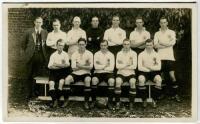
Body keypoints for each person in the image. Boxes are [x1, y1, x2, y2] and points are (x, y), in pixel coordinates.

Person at [154, 17, 181, 102]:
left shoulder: (171, 32)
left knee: (172, 76)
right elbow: (155, 45)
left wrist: (161, 43)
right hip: (160, 57)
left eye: (164, 22)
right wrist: (167, 44)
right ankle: (162, 94)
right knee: (162, 77)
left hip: (170, 57)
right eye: (161, 23)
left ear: (167, 23)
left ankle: (176, 94)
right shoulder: (157, 33)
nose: (163, 24)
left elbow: (173, 43)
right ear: (159, 24)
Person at [21, 16, 48, 100]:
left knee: (39, 75)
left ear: (42, 23)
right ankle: (28, 93)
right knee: (29, 75)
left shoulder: (45, 32)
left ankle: (37, 92)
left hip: (40, 56)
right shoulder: (28, 32)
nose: (38, 24)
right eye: (37, 22)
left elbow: (47, 45)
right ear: (34, 22)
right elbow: (23, 44)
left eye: (40, 22)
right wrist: (26, 54)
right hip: (30, 56)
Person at [64, 38, 93, 109]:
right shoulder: (74, 54)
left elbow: (91, 67)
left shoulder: (89, 53)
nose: (81, 46)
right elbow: (73, 67)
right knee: (67, 79)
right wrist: (85, 65)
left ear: (85, 45)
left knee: (88, 80)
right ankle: (66, 100)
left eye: (83, 44)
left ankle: (86, 102)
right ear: (77, 45)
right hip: (75, 73)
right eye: (80, 44)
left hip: (86, 73)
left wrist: (79, 65)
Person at [138, 39, 162, 108]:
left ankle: (154, 100)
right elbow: (140, 67)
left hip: (154, 72)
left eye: (150, 45)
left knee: (159, 80)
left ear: (153, 45)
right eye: (147, 45)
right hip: (143, 72)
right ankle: (144, 100)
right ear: (145, 45)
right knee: (141, 79)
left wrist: (149, 67)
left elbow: (159, 67)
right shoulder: (141, 54)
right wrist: (148, 70)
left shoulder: (156, 54)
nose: (149, 47)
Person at [91, 40, 115, 110]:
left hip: (108, 73)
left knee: (111, 81)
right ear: (100, 46)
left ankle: (110, 102)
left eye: (105, 45)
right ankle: (93, 101)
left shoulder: (111, 55)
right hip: (98, 73)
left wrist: (101, 66)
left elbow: (111, 68)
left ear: (107, 46)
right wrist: (105, 65)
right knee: (94, 80)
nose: (103, 47)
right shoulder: (96, 54)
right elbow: (96, 67)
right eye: (102, 45)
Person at [115, 39, 137, 110]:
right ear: (122, 45)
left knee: (132, 82)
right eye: (125, 44)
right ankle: (117, 102)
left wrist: (123, 65)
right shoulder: (119, 53)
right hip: (121, 73)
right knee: (118, 81)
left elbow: (134, 66)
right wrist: (127, 64)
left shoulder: (134, 53)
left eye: (128, 44)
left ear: (130, 45)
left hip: (131, 73)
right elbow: (117, 66)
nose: (126, 46)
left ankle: (131, 103)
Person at [48, 39, 70, 108]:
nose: (61, 47)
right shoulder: (53, 55)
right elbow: (50, 66)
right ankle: (55, 101)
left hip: (62, 73)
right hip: (53, 72)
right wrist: (61, 66)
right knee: (51, 84)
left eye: (62, 45)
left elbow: (67, 65)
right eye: (59, 45)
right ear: (56, 46)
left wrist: (56, 64)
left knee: (61, 83)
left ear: (63, 46)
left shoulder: (65, 54)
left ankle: (56, 100)